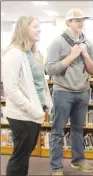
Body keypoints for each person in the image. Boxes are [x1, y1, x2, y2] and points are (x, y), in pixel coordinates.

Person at [45, 8, 93, 175]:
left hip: (82, 92)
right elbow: (49, 69)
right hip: (62, 93)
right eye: (76, 20)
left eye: (82, 20)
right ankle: (56, 167)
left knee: (78, 130)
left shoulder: (88, 42)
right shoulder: (57, 42)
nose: (80, 22)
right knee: (57, 131)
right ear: (68, 22)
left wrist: (85, 54)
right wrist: (72, 56)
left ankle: (78, 161)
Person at [1, 16, 53, 176]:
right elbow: (12, 89)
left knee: (25, 154)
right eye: (35, 26)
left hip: (34, 113)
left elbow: (39, 84)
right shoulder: (13, 53)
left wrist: (46, 105)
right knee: (20, 157)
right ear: (23, 28)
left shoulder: (32, 54)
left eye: (40, 27)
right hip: (22, 115)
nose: (39, 30)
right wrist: (33, 109)